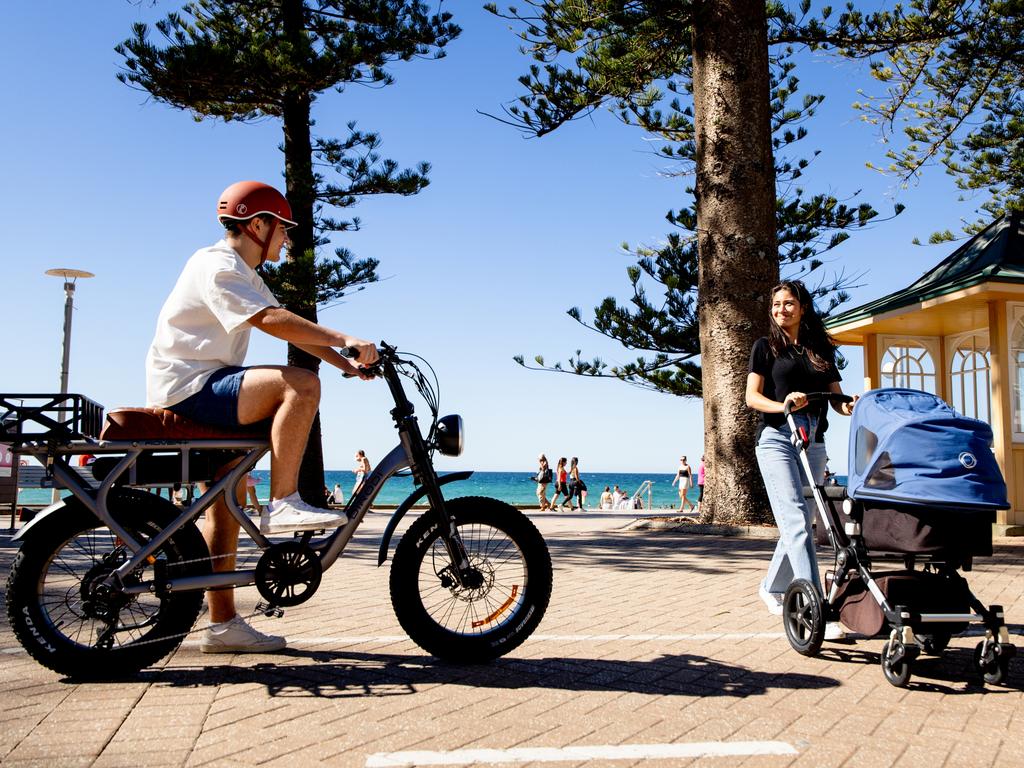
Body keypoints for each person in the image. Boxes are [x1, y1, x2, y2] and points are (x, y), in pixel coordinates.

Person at [146, 180, 378, 654]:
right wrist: (346, 337)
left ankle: (223, 625)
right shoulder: (218, 265)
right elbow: (269, 321)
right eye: (283, 229)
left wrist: (346, 363)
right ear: (258, 224)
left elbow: (282, 319)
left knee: (224, 505)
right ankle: (284, 501)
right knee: (300, 384)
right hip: (193, 388)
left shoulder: (244, 273)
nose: (286, 239)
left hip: (206, 386)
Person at [745, 279, 858, 640]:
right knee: (795, 517)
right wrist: (784, 405)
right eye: (776, 304)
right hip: (777, 436)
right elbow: (752, 397)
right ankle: (818, 609)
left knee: (804, 522)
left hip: (815, 441)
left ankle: (770, 586)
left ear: (803, 307)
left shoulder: (820, 348)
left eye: (789, 303)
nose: (781, 310)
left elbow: (837, 399)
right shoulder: (765, 347)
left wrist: (851, 405)